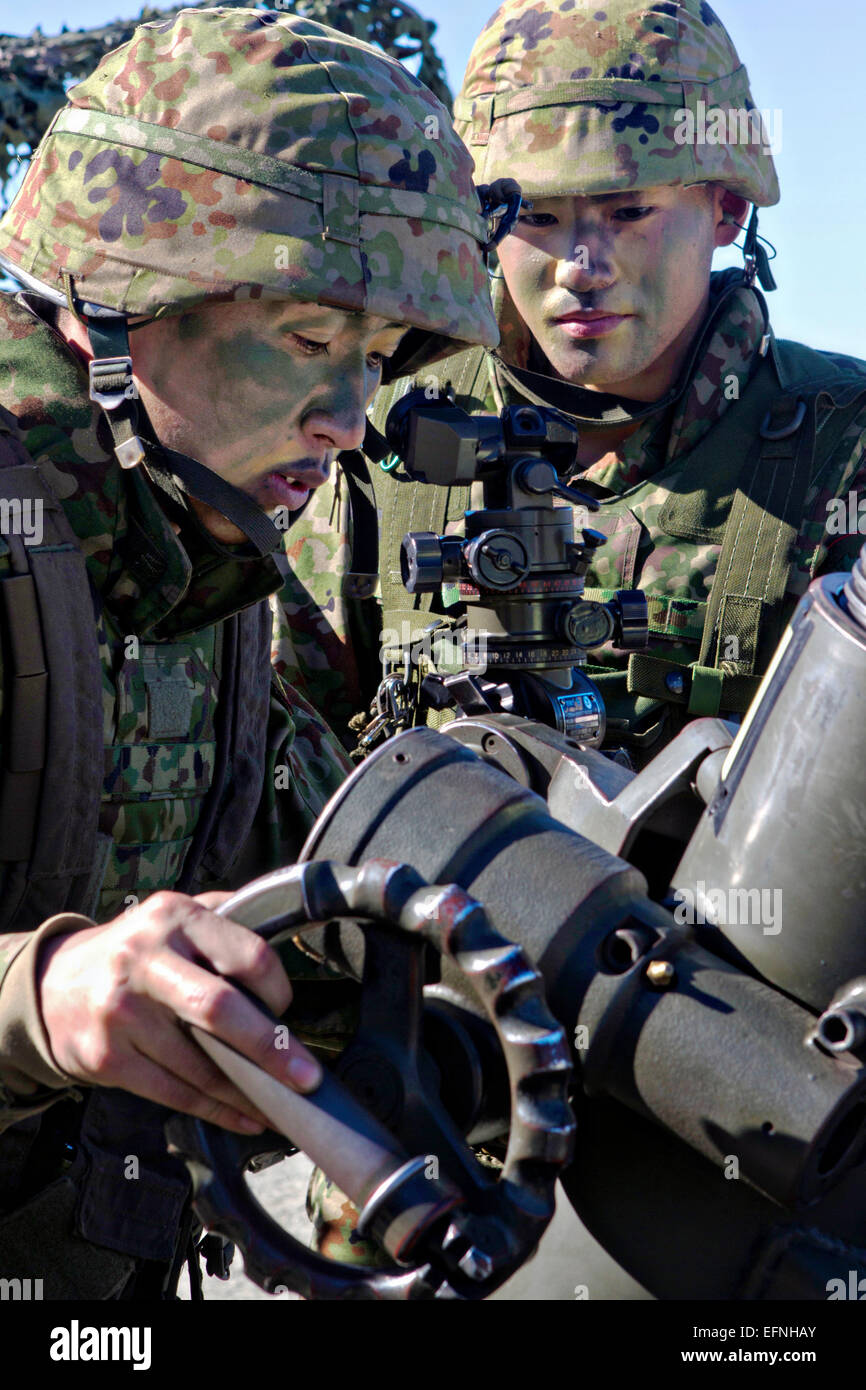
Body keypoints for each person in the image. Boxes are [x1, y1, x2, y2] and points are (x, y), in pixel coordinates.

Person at [0, 6, 499, 1299]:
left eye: (377, 359)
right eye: (306, 339)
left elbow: (274, 896)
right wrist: (42, 990)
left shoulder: (195, 551)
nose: (347, 419)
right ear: (117, 302)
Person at [281, 0, 866, 770]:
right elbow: (287, 759)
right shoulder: (385, 422)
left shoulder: (844, 441)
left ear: (726, 209)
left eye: (629, 212)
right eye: (540, 217)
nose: (581, 267)